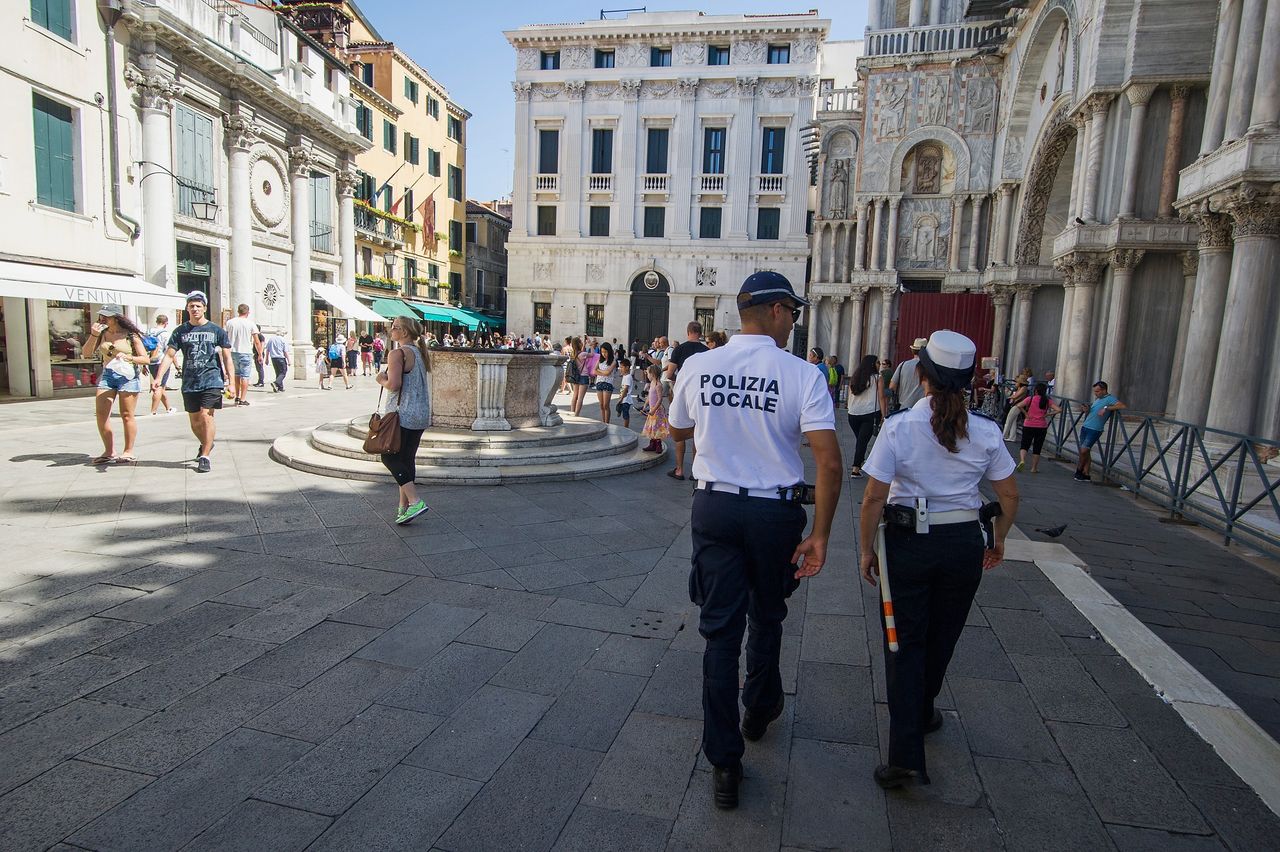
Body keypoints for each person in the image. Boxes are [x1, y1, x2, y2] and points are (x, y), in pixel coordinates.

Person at [667, 271, 842, 810]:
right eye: (792, 312)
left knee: (720, 633)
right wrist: (820, 535)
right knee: (768, 613)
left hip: (715, 505)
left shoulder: (699, 365)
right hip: (774, 513)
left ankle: (723, 761)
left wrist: (724, 423)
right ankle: (759, 707)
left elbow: (676, 431)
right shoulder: (801, 374)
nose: (793, 322)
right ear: (775, 312)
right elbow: (829, 458)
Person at [857, 330, 1019, 789]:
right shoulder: (986, 430)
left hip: (908, 544)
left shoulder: (900, 426)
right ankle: (924, 708)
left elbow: (873, 496)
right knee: (942, 635)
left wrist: (867, 549)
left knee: (903, 642)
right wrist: (998, 539)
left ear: (922, 375)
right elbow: (1009, 495)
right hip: (963, 545)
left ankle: (906, 753)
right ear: (968, 381)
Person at [151, 291, 234, 473]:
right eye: (191, 306)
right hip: (190, 381)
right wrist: (158, 377)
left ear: (204, 308)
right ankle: (207, 443)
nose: (195, 309)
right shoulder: (181, 331)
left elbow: (227, 357)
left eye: (198, 306)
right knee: (195, 422)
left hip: (212, 379)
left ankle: (205, 456)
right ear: (187, 308)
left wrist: (231, 382)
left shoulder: (216, 330)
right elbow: (169, 355)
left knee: (206, 416)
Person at [376, 316, 432, 524]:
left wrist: (380, 379)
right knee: (407, 460)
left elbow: (394, 384)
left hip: (403, 414)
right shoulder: (419, 352)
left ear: (405, 332)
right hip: (420, 414)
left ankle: (415, 501)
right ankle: (404, 507)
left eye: (395, 328)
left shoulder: (397, 353)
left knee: (389, 458)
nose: (391, 330)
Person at [84, 305, 149, 464]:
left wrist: (129, 358)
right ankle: (109, 450)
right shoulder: (102, 334)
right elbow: (86, 354)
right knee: (101, 414)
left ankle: (128, 451)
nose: (102, 319)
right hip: (108, 375)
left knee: (127, 415)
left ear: (117, 318)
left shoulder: (131, 336)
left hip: (128, 376)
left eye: (106, 316)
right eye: (101, 316)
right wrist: (94, 334)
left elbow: (145, 359)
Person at [665, 321, 708, 480]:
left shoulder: (679, 349)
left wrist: (681, 381)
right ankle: (696, 472)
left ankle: (679, 469)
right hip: (700, 394)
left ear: (688, 331)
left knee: (680, 429)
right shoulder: (706, 351)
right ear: (700, 333)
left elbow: (669, 374)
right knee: (698, 431)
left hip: (682, 394)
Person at [846, 354, 888, 477]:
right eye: (877, 363)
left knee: (861, 440)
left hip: (853, 414)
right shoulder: (877, 378)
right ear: (872, 364)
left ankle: (860, 461)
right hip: (870, 413)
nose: (879, 365)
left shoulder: (855, 376)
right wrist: (884, 414)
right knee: (862, 442)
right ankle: (856, 468)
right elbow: (881, 396)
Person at [1076, 381, 1125, 481]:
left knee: (1083, 450)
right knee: (1086, 451)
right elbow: (1093, 411)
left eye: (1097, 391)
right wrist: (1086, 410)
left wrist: (1106, 408)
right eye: (1095, 391)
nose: (1096, 393)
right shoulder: (1098, 399)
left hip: (1095, 429)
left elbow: (1122, 406)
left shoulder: (1110, 398)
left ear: (1104, 390)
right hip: (1086, 426)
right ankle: (1086, 473)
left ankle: (1079, 470)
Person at [1017, 383, 1061, 472]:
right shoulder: (1047, 401)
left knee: (1025, 444)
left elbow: (1019, 405)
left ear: (1036, 390)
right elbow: (1059, 410)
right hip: (1041, 426)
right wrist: (1048, 414)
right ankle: (1034, 468)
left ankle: (1022, 460)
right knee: (1037, 447)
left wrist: (1026, 413)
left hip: (1029, 424)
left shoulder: (1030, 399)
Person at [222, 304, 259, 406]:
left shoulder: (229, 322)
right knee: (245, 376)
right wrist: (260, 354)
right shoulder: (251, 324)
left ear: (238, 311)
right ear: (248, 312)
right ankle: (243, 399)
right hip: (246, 352)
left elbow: (224, 337)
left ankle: (237, 397)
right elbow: (256, 341)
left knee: (236, 375)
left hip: (232, 352)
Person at [147, 313, 176, 416]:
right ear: (166, 323)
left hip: (151, 361)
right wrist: (177, 365)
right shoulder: (166, 334)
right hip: (162, 362)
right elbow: (170, 352)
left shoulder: (149, 332)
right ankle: (153, 411)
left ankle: (169, 407)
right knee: (159, 386)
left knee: (161, 386)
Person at [889, 338, 927, 411]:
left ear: (913, 351)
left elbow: (892, 386)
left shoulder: (902, 365)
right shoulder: (928, 367)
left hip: (903, 408)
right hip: (921, 408)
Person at [640, 363, 668, 452]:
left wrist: (654, 409)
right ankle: (652, 444)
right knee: (652, 427)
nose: (647, 375)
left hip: (657, 410)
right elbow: (649, 396)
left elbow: (660, 399)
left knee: (657, 427)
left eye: (648, 373)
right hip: (652, 409)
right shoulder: (652, 383)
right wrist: (645, 406)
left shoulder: (658, 385)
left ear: (653, 374)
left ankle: (658, 445)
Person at [593, 342, 619, 424]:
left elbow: (608, 373)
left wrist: (599, 371)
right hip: (599, 383)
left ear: (609, 351)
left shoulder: (613, 361)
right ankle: (603, 422)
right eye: (602, 352)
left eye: (605, 352)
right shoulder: (600, 360)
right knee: (601, 405)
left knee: (606, 405)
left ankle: (607, 423)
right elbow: (594, 371)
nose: (604, 354)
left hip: (608, 383)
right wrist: (603, 372)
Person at [1002, 376, 1030, 441]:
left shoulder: (1024, 388)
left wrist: (1010, 397)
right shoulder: (1020, 388)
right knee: (1013, 421)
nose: (1015, 383)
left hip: (1018, 405)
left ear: (1020, 383)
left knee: (1009, 420)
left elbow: (1015, 396)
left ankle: (1004, 435)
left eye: (1016, 382)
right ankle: (1012, 437)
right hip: (1016, 404)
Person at [617, 358, 636, 428]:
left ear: (627, 367)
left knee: (625, 414)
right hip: (623, 399)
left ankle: (626, 427)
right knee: (622, 412)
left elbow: (626, 389)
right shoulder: (625, 376)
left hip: (626, 399)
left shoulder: (628, 377)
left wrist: (621, 398)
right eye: (620, 367)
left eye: (622, 367)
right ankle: (619, 411)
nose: (620, 369)